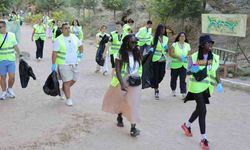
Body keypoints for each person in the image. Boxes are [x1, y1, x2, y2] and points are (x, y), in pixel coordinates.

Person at [181, 35, 223, 150]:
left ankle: (187, 125)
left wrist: (219, 83)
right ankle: (204, 139)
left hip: (206, 87)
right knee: (203, 110)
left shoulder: (214, 57)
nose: (210, 45)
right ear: (202, 45)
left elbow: (216, 71)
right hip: (195, 87)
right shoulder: (194, 57)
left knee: (199, 109)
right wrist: (192, 69)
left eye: (211, 43)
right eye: (208, 43)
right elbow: (188, 72)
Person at [102, 34, 142, 137]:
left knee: (133, 103)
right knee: (121, 99)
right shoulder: (120, 53)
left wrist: (140, 78)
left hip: (135, 81)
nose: (134, 44)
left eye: (135, 42)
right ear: (126, 42)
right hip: (123, 80)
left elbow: (140, 66)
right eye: (132, 42)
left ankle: (133, 128)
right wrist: (122, 83)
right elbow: (118, 70)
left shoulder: (137, 52)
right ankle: (119, 116)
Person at [52, 22, 84, 106]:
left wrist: (80, 56)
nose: (68, 29)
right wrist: (53, 64)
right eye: (65, 28)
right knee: (67, 81)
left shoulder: (74, 37)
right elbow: (54, 53)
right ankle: (68, 99)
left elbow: (81, 46)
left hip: (74, 63)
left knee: (74, 79)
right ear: (62, 30)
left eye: (69, 28)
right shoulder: (58, 39)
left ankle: (62, 90)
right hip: (63, 64)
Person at [0, 20, 20, 100]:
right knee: (3, 77)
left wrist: (19, 54)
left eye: (0, 27)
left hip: (11, 59)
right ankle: (4, 92)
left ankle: (10, 89)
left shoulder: (12, 35)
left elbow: (15, 46)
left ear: (4, 27)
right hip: (1, 60)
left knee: (12, 77)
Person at [169, 32, 191, 98]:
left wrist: (187, 57)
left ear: (185, 38)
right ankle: (173, 90)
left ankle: (183, 93)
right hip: (175, 65)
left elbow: (189, 54)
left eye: (183, 36)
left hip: (183, 65)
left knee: (183, 79)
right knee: (173, 79)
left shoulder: (187, 45)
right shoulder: (174, 44)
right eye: (181, 36)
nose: (182, 37)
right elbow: (171, 53)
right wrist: (178, 56)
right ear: (178, 37)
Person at [150, 24, 169, 100]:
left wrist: (167, 48)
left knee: (162, 73)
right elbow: (151, 47)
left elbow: (167, 49)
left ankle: (155, 83)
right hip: (156, 58)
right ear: (159, 30)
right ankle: (156, 89)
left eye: (164, 29)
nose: (163, 30)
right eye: (161, 29)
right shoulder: (154, 38)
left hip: (163, 58)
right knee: (156, 74)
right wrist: (151, 50)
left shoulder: (166, 38)